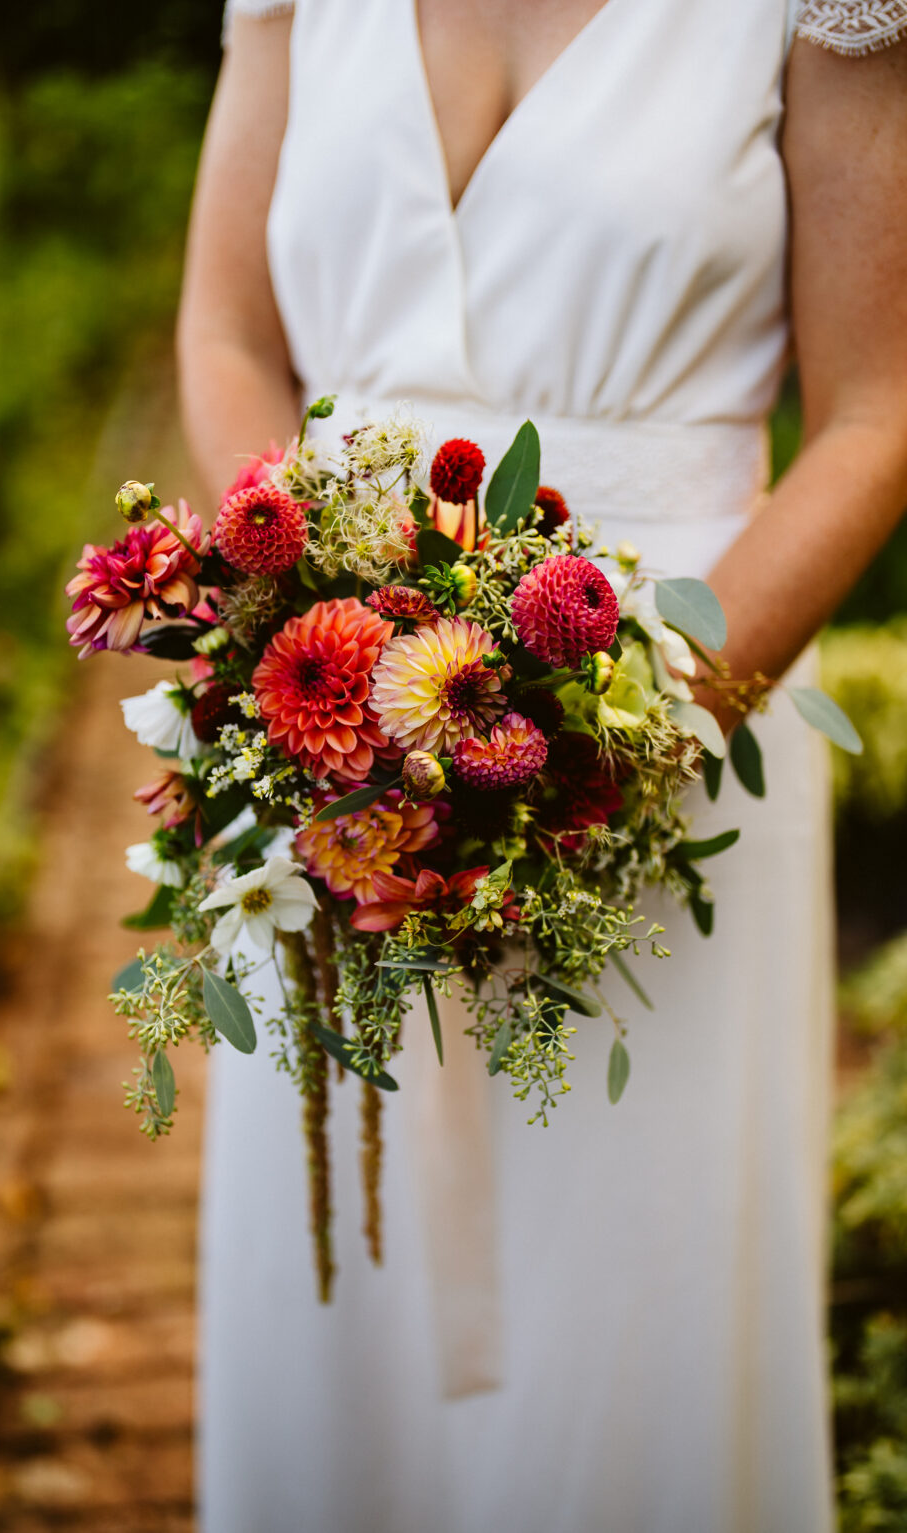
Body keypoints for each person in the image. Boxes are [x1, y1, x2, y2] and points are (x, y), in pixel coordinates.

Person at [176, 3, 907, 1528]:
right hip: (332, 756)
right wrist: (308, 645)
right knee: (341, 1296)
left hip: (679, 747)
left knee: (635, 1307)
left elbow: (876, 410)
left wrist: (620, 746)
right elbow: (229, 335)